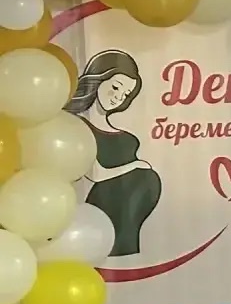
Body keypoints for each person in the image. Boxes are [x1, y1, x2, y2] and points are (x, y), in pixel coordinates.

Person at [68, 50, 161, 258]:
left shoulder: (124, 135)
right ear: (98, 79)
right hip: (102, 214)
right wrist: (136, 165)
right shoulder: (77, 125)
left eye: (126, 94)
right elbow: (96, 174)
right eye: (116, 87)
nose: (118, 97)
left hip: (130, 221)